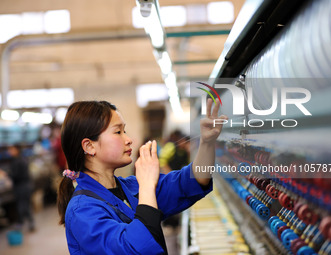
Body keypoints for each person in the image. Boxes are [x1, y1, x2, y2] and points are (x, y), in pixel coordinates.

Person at [57, 99, 227, 255]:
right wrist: (147, 185)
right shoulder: (82, 211)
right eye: (118, 132)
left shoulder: (131, 187)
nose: (129, 139)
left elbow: (192, 181)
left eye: (125, 131)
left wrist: (207, 143)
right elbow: (132, 249)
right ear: (89, 146)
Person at [8, 144, 35, 232]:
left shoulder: (17, 161)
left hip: (21, 186)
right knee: (26, 205)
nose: (9, 152)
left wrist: (7, 174)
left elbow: (15, 175)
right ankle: (30, 223)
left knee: (22, 205)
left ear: (16, 150)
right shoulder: (23, 159)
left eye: (11, 149)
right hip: (26, 185)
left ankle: (21, 224)